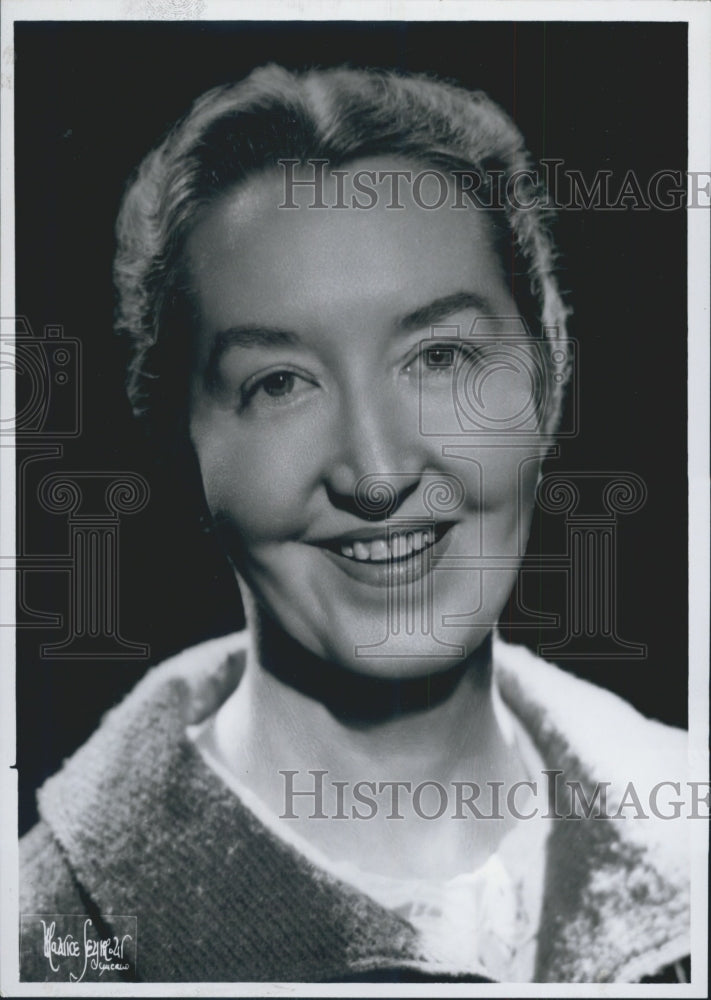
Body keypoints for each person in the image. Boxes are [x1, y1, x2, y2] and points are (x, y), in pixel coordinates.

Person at [19, 64, 690, 984]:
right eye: (279, 383)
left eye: (440, 356)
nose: (376, 474)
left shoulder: (688, 841)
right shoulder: (52, 946)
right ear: (180, 444)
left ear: (550, 373)